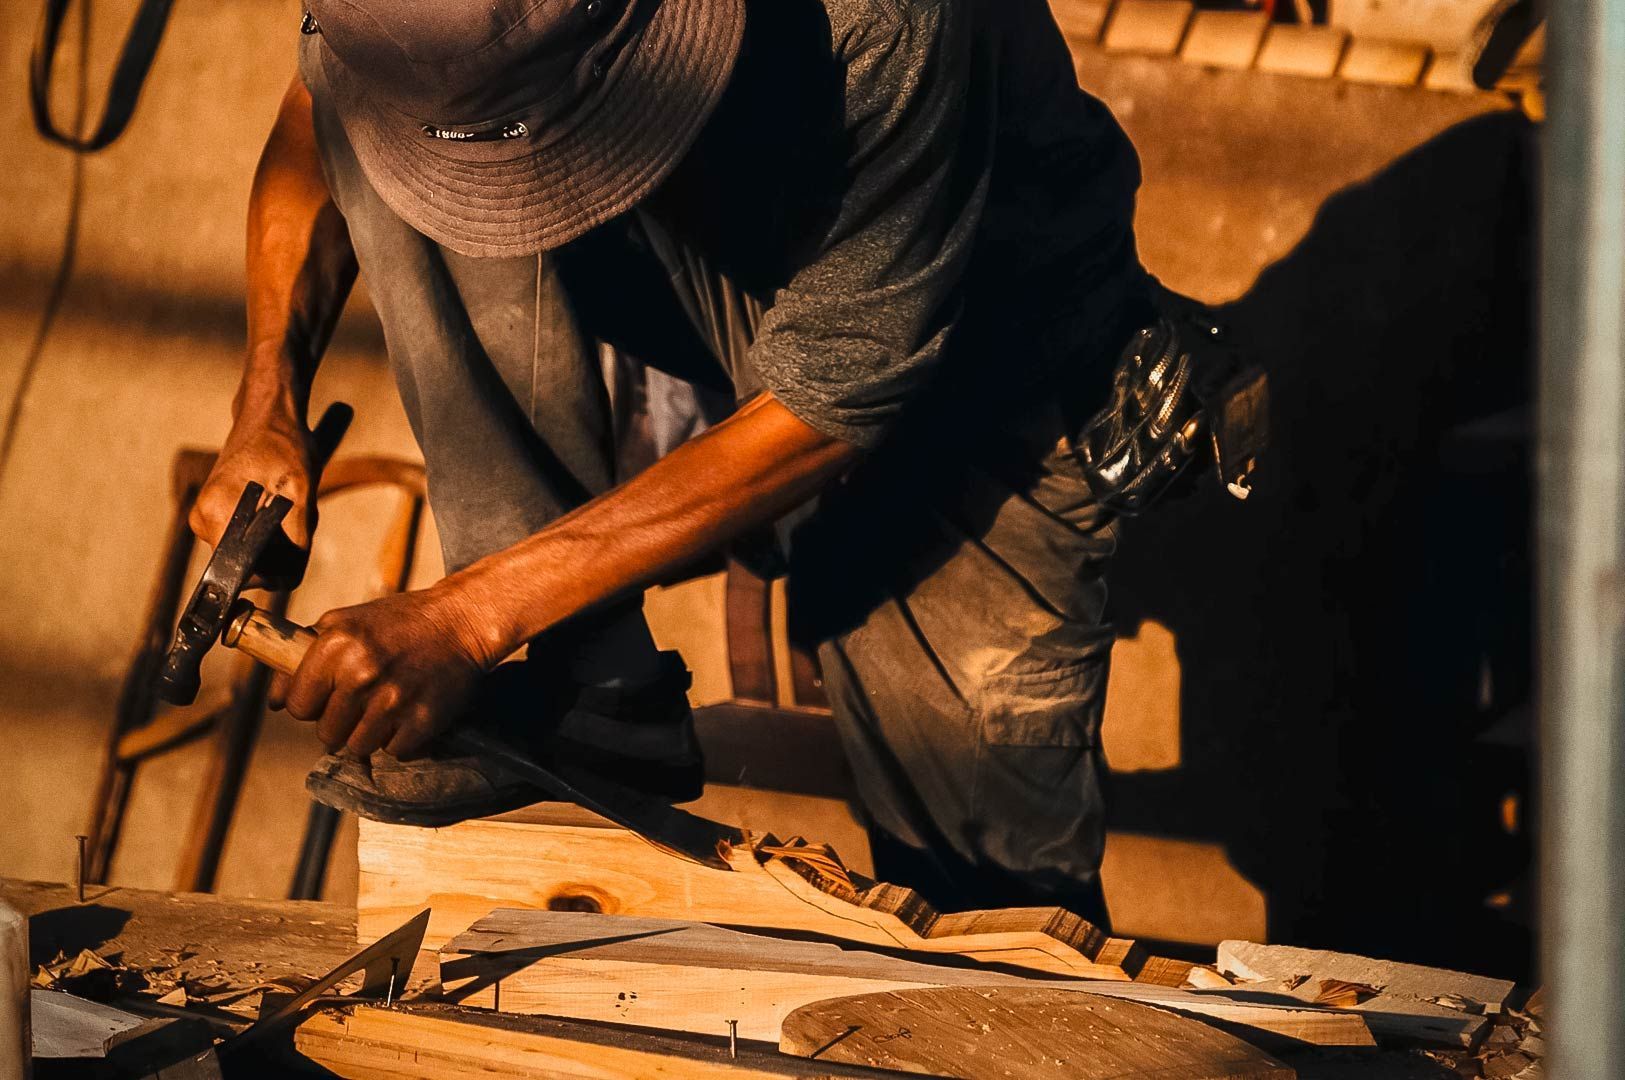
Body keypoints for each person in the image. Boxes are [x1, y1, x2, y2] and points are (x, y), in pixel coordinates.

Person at [191, 0, 1159, 926]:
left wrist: (471, 616)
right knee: (411, 114)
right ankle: (596, 686)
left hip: (982, 367)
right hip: (732, 264)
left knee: (984, 916)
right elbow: (326, 95)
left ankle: (548, 628)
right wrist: (267, 398)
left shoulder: (882, 17)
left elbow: (830, 399)